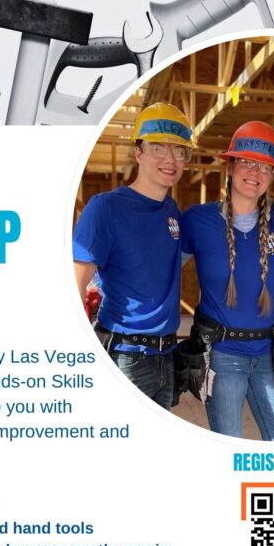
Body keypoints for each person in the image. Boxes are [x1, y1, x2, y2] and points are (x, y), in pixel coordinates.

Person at [72, 102, 194, 408]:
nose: (170, 159)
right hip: (126, 358)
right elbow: (72, 287)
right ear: (139, 152)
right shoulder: (106, 208)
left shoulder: (171, 210)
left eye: (179, 151)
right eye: (158, 148)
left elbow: (161, 262)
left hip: (166, 356)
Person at [180, 122, 274, 440]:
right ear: (230, 165)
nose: (255, 172)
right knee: (228, 443)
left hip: (266, 356)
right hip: (222, 356)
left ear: (272, 175)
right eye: (246, 161)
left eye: (265, 167)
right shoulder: (197, 220)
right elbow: (160, 272)